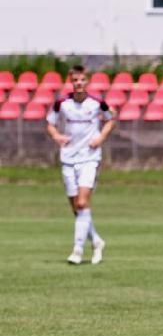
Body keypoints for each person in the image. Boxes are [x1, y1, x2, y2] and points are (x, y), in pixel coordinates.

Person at [46, 65, 115, 264]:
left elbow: (111, 119)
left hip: (89, 157)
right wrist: (57, 136)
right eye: (75, 80)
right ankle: (97, 241)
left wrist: (100, 137)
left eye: (82, 80)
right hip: (68, 158)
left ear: (87, 81)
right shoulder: (62, 103)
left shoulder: (97, 102)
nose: (79, 83)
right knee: (77, 208)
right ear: (71, 81)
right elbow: (50, 124)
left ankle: (77, 250)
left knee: (83, 202)